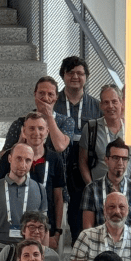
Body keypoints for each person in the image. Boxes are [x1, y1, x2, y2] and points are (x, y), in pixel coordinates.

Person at [0, 111, 65, 244]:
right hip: (15, 230)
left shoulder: (55, 159)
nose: (36, 132)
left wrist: (57, 232)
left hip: (44, 229)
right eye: (31, 128)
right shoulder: (11, 156)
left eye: (41, 128)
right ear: (24, 131)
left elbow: (58, 197)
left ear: (47, 131)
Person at [54, 56, 102, 242]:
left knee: (79, 211)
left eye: (80, 73)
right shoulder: (54, 102)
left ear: (87, 77)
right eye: (70, 73)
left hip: (85, 163)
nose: (75, 77)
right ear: (63, 75)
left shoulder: (96, 106)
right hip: (58, 160)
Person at [79, 83, 131, 185]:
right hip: (99, 191)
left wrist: (129, 189)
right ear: (101, 105)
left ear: (121, 102)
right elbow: (83, 162)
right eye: (106, 102)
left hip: (126, 191)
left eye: (114, 101)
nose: (110, 106)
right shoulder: (91, 128)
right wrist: (91, 187)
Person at [81, 137, 131, 233]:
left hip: (128, 244)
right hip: (99, 243)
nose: (120, 163)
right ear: (106, 160)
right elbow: (88, 227)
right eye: (116, 158)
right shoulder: (92, 189)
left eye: (124, 159)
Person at [1, 76, 75, 157]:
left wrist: (49, 115)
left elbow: (60, 146)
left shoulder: (66, 121)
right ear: (35, 94)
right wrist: (20, 143)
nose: (46, 98)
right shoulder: (20, 123)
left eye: (50, 94)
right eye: (41, 93)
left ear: (56, 97)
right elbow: (4, 157)